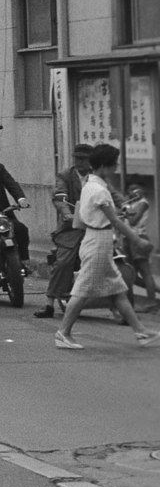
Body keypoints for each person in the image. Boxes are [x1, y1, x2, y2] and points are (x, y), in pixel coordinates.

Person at [54, 143, 158, 349]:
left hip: (96, 238)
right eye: (113, 164)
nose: (116, 167)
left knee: (118, 290)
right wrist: (138, 240)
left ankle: (140, 331)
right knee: (82, 291)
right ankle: (63, 332)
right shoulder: (99, 190)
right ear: (104, 166)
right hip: (98, 242)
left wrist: (109, 216)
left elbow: (81, 220)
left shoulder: (89, 185)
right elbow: (116, 222)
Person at [39, 143, 94, 319]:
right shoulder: (65, 175)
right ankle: (49, 303)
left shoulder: (96, 176)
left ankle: (119, 303)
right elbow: (59, 196)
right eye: (77, 158)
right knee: (63, 262)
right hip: (72, 228)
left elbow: (111, 194)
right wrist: (66, 213)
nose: (79, 162)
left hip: (95, 227)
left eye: (83, 159)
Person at [120, 182, 157, 310]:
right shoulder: (131, 204)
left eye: (138, 188)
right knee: (131, 274)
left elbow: (133, 221)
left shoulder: (143, 203)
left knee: (145, 271)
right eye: (132, 189)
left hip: (139, 238)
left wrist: (126, 210)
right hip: (128, 240)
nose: (135, 191)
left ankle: (151, 302)